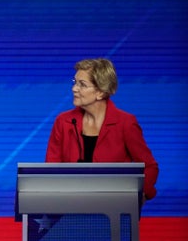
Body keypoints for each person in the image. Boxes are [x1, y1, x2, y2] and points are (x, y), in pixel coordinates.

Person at [46, 58, 158, 200]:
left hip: (114, 207)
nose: (74, 89)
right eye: (75, 83)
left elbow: (149, 166)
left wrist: (140, 195)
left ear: (100, 92)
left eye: (82, 85)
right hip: (69, 206)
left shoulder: (125, 123)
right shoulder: (64, 121)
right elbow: (50, 170)